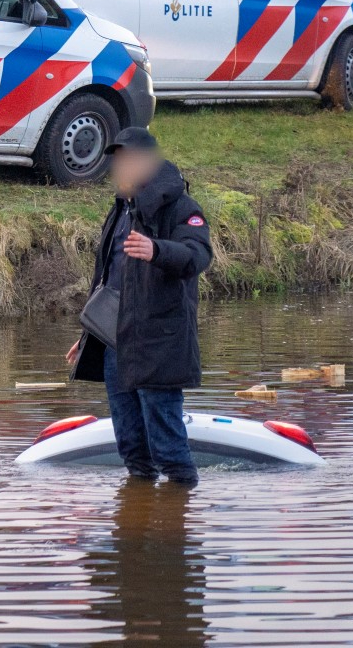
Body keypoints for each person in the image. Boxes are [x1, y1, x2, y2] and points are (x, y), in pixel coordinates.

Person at [68, 127, 212, 487]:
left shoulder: (182, 207)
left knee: (168, 450)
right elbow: (107, 278)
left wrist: (157, 250)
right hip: (116, 344)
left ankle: (177, 524)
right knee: (132, 448)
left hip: (158, 344)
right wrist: (89, 334)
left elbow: (199, 255)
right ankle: (139, 524)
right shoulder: (119, 211)